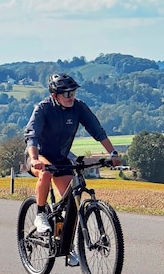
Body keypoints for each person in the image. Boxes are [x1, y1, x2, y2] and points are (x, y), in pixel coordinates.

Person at [24, 73, 120, 252]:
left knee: (72, 203)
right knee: (45, 173)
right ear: (55, 95)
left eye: (73, 93)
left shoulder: (78, 107)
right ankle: (40, 214)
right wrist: (35, 158)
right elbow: (32, 135)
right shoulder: (43, 108)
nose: (71, 97)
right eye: (67, 94)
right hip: (38, 156)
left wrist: (112, 153)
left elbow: (97, 131)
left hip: (60, 158)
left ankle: (68, 245)